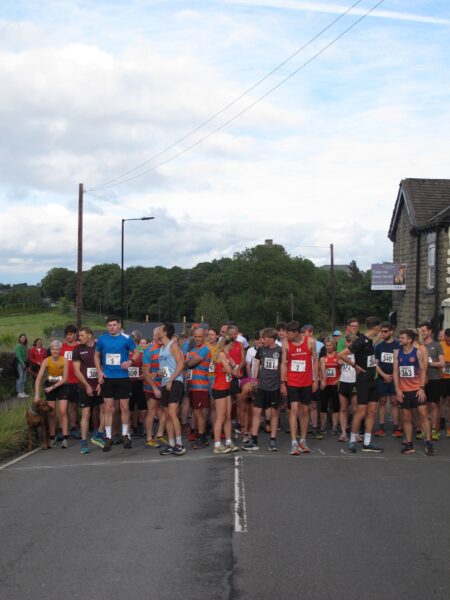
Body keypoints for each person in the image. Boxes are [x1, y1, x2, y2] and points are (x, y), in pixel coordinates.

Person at [339, 316, 384, 454]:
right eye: (379, 328)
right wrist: (355, 365)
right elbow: (341, 354)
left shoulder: (370, 340)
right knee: (361, 411)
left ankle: (367, 442)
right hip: (363, 380)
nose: (380, 331)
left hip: (373, 380)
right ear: (376, 327)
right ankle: (352, 441)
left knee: (371, 411)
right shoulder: (361, 341)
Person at [94, 315, 139, 452]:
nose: (112, 327)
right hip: (108, 377)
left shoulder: (126, 339)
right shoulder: (102, 339)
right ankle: (108, 437)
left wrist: (131, 361)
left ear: (119, 325)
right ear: (107, 326)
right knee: (108, 407)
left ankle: (125, 434)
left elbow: (137, 352)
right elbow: (96, 355)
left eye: (114, 325)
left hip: (123, 377)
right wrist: (99, 372)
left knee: (124, 407)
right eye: (109, 325)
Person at [393, 329, 433, 455]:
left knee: (423, 415)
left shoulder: (417, 352)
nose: (400, 340)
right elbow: (395, 372)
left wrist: (421, 388)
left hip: (416, 390)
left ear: (410, 340)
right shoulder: (397, 353)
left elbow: (422, 371)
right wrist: (397, 389)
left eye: (402, 338)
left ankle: (428, 442)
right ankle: (409, 444)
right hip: (404, 391)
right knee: (407, 418)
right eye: (400, 338)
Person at [281, 320, 318, 455]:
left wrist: (316, 380)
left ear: (296, 333)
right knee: (294, 409)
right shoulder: (286, 344)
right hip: (292, 381)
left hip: (307, 381)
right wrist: (282, 382)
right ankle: (293, 442)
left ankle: (303, 440)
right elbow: (283, 364)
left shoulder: (310, 342)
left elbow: (315, 360)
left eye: (288, 333)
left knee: (305, 410)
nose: (286, 335)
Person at [242, 328, 281, 451]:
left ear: (271, 339)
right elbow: (256, 364)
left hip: (275, 387)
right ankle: (254, 440)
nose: (261, 340)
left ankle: (273, 440)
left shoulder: (280, 350)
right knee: (257, 412)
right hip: (262, 386)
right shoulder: (261, 349)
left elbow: (283, 367)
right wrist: (253, 380)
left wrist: (283, 383)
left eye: (264, 338)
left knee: (274, 413)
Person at [72, 327, 105, 454]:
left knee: (104, 410)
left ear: (90, 335)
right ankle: (84, 442)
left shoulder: (99, 347)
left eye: (81, 335)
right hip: (84, 386)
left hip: (100, 384)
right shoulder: (77, 350)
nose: (79, 337)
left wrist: (100, 383)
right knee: (86, 413)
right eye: (79, 335)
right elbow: (76, 371)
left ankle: (99, 436)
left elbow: (104, 366)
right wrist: (86, 385)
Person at [158, 323, 187, 456]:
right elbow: (166, 368)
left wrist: (170, 380)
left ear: (165, 332)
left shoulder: (173, 345)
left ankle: (179, 444)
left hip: (175, 382)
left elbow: (181, 364)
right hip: (165, 383)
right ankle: (171, 444)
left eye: (160, 329)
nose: (158, 330)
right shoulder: (162, 348)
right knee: (167, 415)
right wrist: (158, 374)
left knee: (172, 413)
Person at [34, 340, 69, 448]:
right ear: (51, 350)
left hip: (61, 386)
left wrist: (52, 387)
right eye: (53, 349)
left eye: (57, 349)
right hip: (50, 385)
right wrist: (37, 394)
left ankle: (65, 438)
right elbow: (39, 378)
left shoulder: (65, 360)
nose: (55, 351)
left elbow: (65, 378)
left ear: (60, 350)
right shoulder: (46, 361)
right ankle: (52, 437)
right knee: (51, 413)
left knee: (63, 411)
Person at [185, 327, 212, 449]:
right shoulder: (193, 349)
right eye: (195, 336)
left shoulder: (205, 349)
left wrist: (179, 362)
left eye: (199, 336)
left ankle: (202, 438)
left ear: (205, 337)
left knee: (199, 413)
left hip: (201, 386)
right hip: (192, 385)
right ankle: (202, 436)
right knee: (195, 412)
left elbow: (190, 363)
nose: (197, 339)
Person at [212, 336, 238, 454]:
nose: (234, 346)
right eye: (233, 344)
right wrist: (232, 369)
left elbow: (235, 368)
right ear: (229, 343)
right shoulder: (222, 354)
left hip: (227, 387)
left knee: (228, 416)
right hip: (220, 388)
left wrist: (233, 368)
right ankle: (217, 445)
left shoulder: (227, 355)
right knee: (220, 417)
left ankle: (228, 441)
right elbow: (230, 371)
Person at [142, 327, 168, 448]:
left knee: (165, 411)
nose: (158, 336)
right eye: (156, 334)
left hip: (165, 384)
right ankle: (149, 437)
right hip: (152, 386)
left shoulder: (166, 347)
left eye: (160, 334)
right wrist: (154, 388)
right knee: (152, 411)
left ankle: (160, 434)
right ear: (153, 336)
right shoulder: (149, 350)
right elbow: (146, 372)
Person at [419, 322, 445, 440]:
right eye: (421, 331)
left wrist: (428, 363)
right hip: (420, 379)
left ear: (430, 331)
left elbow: (442, 363)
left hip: (434, 378)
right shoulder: (418, 345)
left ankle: (434, 429)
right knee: (422, 405)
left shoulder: (436, 345)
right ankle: (423, 428)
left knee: (434, 404)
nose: (422, 333)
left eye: (424, 331)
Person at [374, 322, 401, 437]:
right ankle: (381, 426)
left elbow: (401, 363)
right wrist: (384, 375)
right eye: (381, 331)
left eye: (385, 331)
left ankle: (396, 426)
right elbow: (375, 363)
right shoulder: (379, 346)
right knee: (382, 401)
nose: (383, 333)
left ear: (391, 332)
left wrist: (394, 376)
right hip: (382, 377)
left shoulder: (398, 345)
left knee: (395, 401)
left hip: (395, 377)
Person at [60, 324, 80, 438]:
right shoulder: (62, 347)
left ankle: (73, 427)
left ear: (75, 335)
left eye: (71, 334)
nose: (69, 337)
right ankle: (64, 430)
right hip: (64, 381)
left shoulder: (79, 347)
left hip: (76, 380)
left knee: (73, 406)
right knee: (63, 408)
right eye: (67, 335)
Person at [337, 333, 358, 443]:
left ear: (351, 343)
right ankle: (344, 432)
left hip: (354, 382)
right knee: (343, 408)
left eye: (346, 342)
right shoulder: (342, 353)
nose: (344, 344)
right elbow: (338, 362)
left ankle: (356, 433)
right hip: (343, 381)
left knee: (355, 409)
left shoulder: (358, 354)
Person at [319, 337, 340, 435]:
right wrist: (322, 380)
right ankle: (323, 426)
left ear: (333, 345)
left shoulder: (338, 356)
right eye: (327, 346)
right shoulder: (322, 358)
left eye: (330, 345)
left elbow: (342, 370)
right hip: (325, 384)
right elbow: (319, 371)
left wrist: (338, 380)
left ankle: (335, 426)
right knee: (323, 405)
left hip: (335, 384)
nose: (328, 347)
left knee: (335, 406)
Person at [440, 328, 450, 438]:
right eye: (448, 339)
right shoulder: (440, 345)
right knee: (441, 400)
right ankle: (441, 419)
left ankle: (449, 426)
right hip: (442, 376)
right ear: (445, 337)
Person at [15, 333, 29, 398]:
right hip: (20, 364)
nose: (23, 339)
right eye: (22, 338)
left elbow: (26, 356)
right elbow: (19, 356)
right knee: (20, 378)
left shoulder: (25, 346)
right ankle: (19, 392)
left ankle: (22, 391)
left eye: (24, 338)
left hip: (25, 364)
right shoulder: (18, 346)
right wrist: (22, 364)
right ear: (20, 339)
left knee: (24, 378)